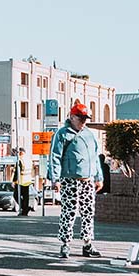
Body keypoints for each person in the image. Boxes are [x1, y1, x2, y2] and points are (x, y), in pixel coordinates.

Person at [47, 103, 104, 259]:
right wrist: (56, 179)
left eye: (85, 118)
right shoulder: (62, 134)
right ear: (72, 117)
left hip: (88, 180)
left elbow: (95, 157)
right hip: (70, 180)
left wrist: (99, 177)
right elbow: (54, 157)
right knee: (69, 212)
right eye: (81, 118)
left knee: (88, 212)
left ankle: (87, 243)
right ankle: (65, 244)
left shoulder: (89, 135)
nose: (83, 121)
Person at [15, 147, 33, 216]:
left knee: (16, 195)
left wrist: (14, 181)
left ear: (21, 152)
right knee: (26, 197)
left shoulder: (20, 159)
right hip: (28, 180)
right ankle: (25, 211)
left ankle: (25, 208)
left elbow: (17, 171)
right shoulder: (29, 159)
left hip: (21, 180)